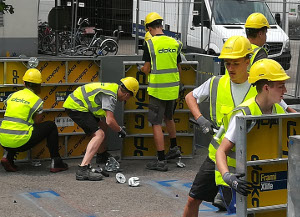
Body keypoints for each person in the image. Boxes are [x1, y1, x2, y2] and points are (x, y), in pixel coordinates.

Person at [215, 59, 290, 212]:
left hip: (263, 178)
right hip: (238, 182)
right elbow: (221, 151)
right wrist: (229, 178)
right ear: (267, 88)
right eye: (281, 86)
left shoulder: (280, 112)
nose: (286, 90)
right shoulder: (244, 114)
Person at [63, 77, 139, 181]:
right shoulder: (111, 96)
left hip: (80, 105)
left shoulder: (113, 88)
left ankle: (101, 154)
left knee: (103, 126)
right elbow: (110, 120)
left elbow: (107, 122)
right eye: (129, 97)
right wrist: (120, 131)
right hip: (76, 107)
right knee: (99, 134)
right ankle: (83, 169)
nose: (126, 100)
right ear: (127, 95)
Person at [0, 68, 68, 173]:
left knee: (15, 128)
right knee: (50, 126)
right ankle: (56, 161)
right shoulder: (37, 101)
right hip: (21, 142)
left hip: (3, 139)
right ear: (39, 85)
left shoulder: (12, 96)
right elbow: (37, 121)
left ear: (23, 83)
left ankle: (8, 156)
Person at [140, 12, 183, 171]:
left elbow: (146, 69)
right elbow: (179, 68)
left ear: (149, 28)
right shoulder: (175, 43)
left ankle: (160, 160)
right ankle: (174, 148)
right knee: (169, 118)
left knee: (156, 123)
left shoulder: (149, 44)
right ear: (161, 26)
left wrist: (142, 69)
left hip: (157, 90)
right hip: (173, 89)